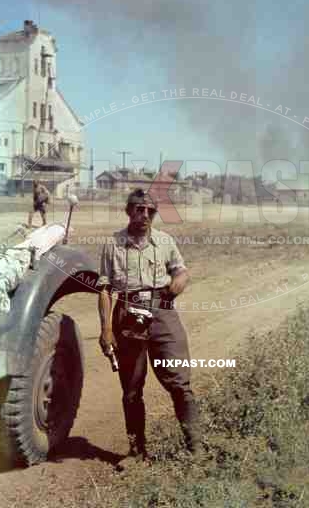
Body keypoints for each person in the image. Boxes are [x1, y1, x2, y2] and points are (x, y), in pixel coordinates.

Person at [96, 188, 200, 464]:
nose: (144, 215)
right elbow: (105, 289)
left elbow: (181, 270)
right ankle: (137, 452)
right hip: (127, 317)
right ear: (128, 210)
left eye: (150, 211)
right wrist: (106, 329)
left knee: (179, 383)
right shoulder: (113, 244)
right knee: (131, 389)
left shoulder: (165, 241)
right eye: (139, 209)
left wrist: (180, 281)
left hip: (163, 312)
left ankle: (196, 449)